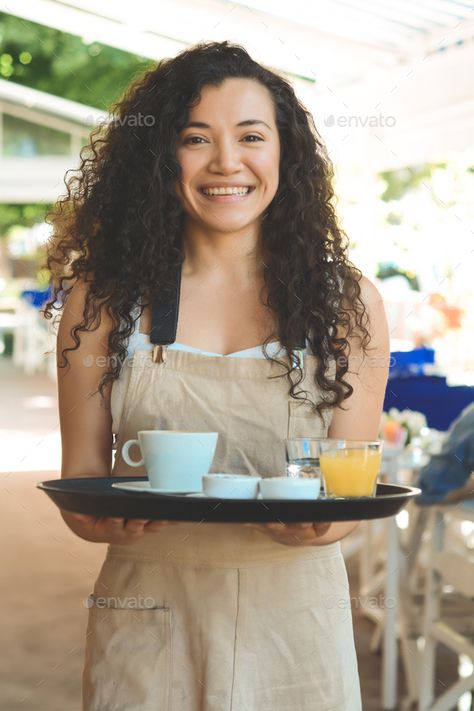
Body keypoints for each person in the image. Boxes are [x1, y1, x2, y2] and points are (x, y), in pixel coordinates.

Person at [45, 41, 389, 711]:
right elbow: (82, 480)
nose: (227, 162)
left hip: (298, 621)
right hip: (148, 616)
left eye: (251, 137)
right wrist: (101, 523)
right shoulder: (103, 301)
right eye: (195, 138)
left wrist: (325, 527)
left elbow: (354, 484)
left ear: (285, 155)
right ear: (160, 157)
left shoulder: (347, 304)